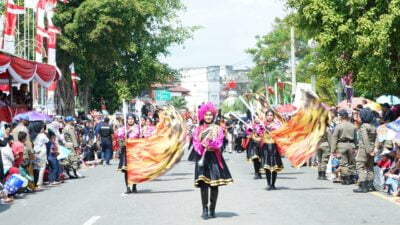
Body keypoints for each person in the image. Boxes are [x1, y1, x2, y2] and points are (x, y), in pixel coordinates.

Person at [192, 102, 233, 219]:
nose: (208, 117)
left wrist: (211, 142)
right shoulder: (198, 129)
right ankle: (204, 209)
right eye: (206, 115)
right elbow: (195, 143)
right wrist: (202, 144)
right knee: (203, 185)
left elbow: (219, 142)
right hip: (202, 158)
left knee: (214, 185)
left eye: (210, 115)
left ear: (213, 115)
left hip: (214, 158)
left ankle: (212, 209)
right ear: (202, 116)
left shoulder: (218, 128)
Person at [353, 109, 377, 193]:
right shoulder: (373, 126)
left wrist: (368, 150)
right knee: (370, 167)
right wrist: (374, 149)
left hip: (364, 149)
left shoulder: (363, 126)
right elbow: (376, 138)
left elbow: (365, 139)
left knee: (360, 166)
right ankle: (370, 185)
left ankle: (363, 186)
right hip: (372, 148)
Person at [331, 109, 357, 185]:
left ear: (341, 117)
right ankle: (352, 178)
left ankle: (345, 179)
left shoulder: (339, 126)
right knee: (352, 162)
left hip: (342, 145)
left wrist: (333, 149)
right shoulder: (352, 126)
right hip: (351, 144)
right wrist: (355, 147)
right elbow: (356, 138)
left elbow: (334, 138)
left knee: (344, 163)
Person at [117, 114, 140, 194]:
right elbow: (120, 135)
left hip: (134, 151)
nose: (130, 120)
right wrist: (126, 134)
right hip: (125, 151)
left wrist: (128, 134)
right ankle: (127, 187)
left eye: (132, 119)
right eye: (129, 119)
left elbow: (135, 135)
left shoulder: (137, 127)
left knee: (134, 170)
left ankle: (134, 186)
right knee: (126, 170)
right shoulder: (123, 128)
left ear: (134, 119)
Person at [261, 110, 283, 190]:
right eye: (268, 115)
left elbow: (280, 132)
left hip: (274, 147)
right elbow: (259, 133)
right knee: (267, 167)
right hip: (266, 148)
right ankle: (268, 183)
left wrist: (272, 129)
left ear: (273, 116)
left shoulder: (277, 124)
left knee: (274, 167)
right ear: (266, 116)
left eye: (271, 115)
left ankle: (273, 184)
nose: (270, 117)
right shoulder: (262, 124)